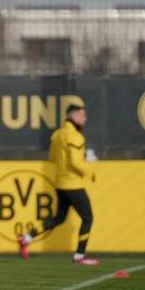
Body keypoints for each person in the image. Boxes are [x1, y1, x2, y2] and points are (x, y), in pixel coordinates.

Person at [18, 104, 98, 265]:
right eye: (82, 116)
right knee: (88, 217)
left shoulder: (57, 135)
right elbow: (75, 162)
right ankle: (80, 256)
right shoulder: (75, 136)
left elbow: (53, 157)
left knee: (58, 218)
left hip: (60, 183)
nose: (85, 119)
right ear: (73, 116)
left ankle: (27, 237)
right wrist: (90, 172)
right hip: (72, 184)